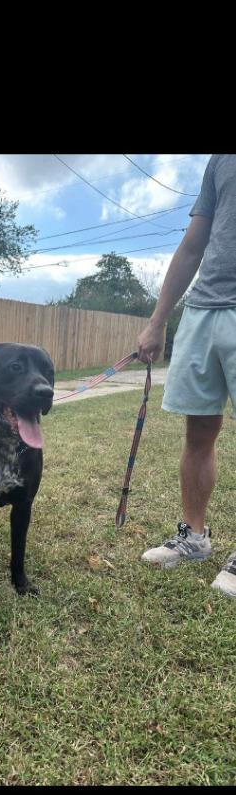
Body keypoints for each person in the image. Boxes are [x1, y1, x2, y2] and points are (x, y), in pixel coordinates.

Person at [137, 154, 236, 598]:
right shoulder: (220, 160)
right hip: (203, 308)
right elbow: (194, 243)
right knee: (198, 430)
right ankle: (194, 538)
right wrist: (158, 320)